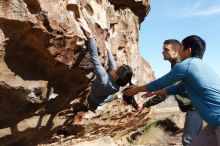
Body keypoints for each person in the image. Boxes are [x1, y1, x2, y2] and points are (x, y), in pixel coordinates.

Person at [124, 35, 220, 146]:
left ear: (188, 50)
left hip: (217, 120)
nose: (179, 52)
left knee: (188, 141)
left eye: (181, 48)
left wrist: (137, 89)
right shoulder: (202, 66)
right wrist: (155, 92)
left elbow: (160, 82)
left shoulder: (185, 65)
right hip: (214, 123)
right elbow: (179, 88)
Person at [142, 39, 203, 146]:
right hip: (197, 106)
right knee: (199, 139)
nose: (162, 52)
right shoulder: (177, 63)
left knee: (188, 141)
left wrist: (146, 104)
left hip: (194, 107)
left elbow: (167, 91)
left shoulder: (179, 65)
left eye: (166, 49)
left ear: (175, 52)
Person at [78, 18, 134, 111]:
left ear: (116, 77)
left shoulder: (103, 76)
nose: (115, 68)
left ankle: (91, 107)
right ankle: (96, 105)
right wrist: (108, 51)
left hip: (93, 98)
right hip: (104, 97)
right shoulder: (117, 87)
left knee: (93, 102)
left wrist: (90, 36)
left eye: (117, 70)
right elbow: (112, 66)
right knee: (109, 97)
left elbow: (94, 56)